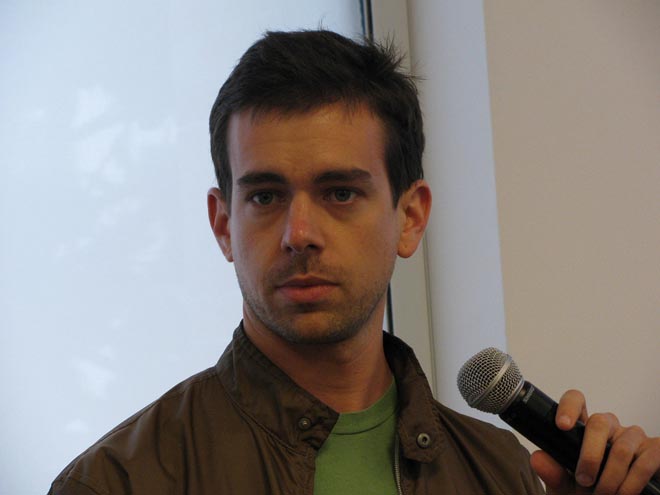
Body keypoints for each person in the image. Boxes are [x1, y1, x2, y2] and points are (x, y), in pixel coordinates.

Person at [49, 30, 659, 495]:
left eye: (340, 192)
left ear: (410, 217)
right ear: (223, 224)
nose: (300, 234)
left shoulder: (504, 472)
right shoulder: (116, 482)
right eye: (265, 197)